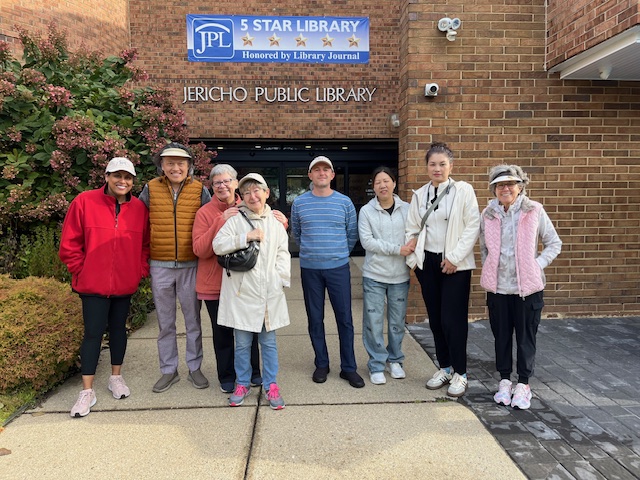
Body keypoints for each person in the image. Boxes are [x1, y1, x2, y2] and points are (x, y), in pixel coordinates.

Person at [59, 157, 150, 417]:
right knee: (93, 333)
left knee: (119, 331)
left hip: (124, 283)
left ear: (133, 181)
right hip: (92, 284)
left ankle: (115, 376)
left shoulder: (140, 209)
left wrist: (139, 270)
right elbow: (69, 243)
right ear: (107, 176)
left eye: (128, 177)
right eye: (117, 176)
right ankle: (87, 390)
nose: (123, 181)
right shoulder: (84, 201)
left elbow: (145, 244)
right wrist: (81, 269)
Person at [192, 164, 288, 394]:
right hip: (225, 286)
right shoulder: (213, 214)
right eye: (217, 183)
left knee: (258, 336)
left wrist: (279, 279)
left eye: (227, 181)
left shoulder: (262, 215)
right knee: (228, 336)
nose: (223, 186)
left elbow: (280, 251)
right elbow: (206, 248)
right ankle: (232, 378)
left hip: (258, 288)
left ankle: (258, 376)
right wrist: (229, 225)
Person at [480, 165, 561, 410]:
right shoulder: (488, 214)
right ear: (493, 189)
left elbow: (553, 243)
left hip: (528, 289)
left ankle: (524, 384)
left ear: (520, 186)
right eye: (500, 184)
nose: (505, 188)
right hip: (498, 289)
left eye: (510, 184)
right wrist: (489, 268)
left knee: (526, 337)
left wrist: (537, 265)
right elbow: (484, 248)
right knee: (501, 337)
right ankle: (505, 380)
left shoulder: (533, 210)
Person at [405, 142, 480, 397]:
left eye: (442, 164)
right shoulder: (420, 195)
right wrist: (415, 261)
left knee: (453, 320)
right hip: (428, 265)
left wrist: (455, 257)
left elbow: (473, 226)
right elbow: (412, 227)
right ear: (426, 167)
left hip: (455, 267)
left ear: (451, 165)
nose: (437, 168)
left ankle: (461, 372)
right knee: (436, 320)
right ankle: (445, 367)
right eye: (432, 164)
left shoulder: (463, 191)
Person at [213, 173, 291, 409]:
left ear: (267, 193)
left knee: (269, 343)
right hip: (242, 294)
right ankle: (243, 383)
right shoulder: (236, 220)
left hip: (269, 294)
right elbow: (217, 245)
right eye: (246, 192)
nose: (252, 195)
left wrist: (279, 281)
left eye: (257, 190)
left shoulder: (276, 223)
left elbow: (282, 255)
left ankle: (271, 384)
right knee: (243, 343)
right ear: (241, 197)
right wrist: (246, 236)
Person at [138, 142, 211, 393]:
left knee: (193, 321)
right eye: (170, 162)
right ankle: (168, 370)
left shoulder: (200, 189)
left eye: (181, 162)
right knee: (165, 322)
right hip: (160, 264)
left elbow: (212, 217)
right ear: (162, 165)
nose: (175, 167)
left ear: (189, 166)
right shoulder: (150, 188)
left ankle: (194, 367)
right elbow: (137, 220)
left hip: (191, 264)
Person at [291, 156, 365, 388]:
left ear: (332, 175)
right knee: (315, 319)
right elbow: (297, 233)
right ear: (310, 175)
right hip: (310, 269)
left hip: (338, 268)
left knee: (345, 319)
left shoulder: (344, 203)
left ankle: (348, 368)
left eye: (326, 169)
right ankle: (322, 364)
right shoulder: (299, 203)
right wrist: (314, 252)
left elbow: (352, 234)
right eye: (316, 170)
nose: (321, 173)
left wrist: (336, 252)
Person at [358, 166, 414, 385]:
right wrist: (397, 249)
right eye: (378, 182)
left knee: (397, 322)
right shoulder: (366, 211)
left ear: (394, 184)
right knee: (373, 321)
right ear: (373, 187)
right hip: (374, 275)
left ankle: (396, 360)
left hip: (400, 275)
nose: (382, 185)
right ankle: (376, 363)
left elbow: (416, 232)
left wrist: (412, 245)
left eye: (386, 181)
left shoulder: (408, 209)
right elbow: (367, 242)